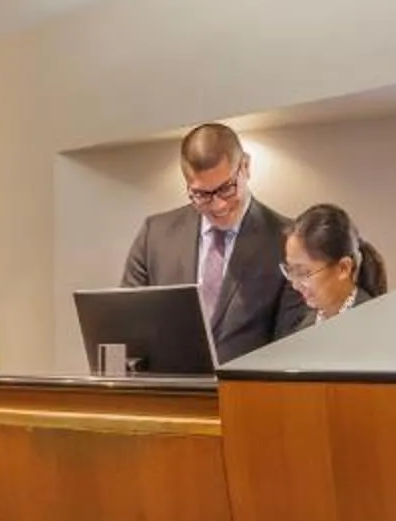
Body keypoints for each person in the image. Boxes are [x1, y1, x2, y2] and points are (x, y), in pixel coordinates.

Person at [121, 123, 300, 362]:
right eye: (202, 195)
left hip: (249, 395)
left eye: (227, 188)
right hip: (169, 393)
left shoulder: (288, 241)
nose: (218, 206)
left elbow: (293, 341)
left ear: (245, 167)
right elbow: (126, 325)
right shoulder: (155, 234)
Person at [281, 203, 387, 330]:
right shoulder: (303, 328)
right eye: (290, 270)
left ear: (344, 268)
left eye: (303, 272)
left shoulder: (377, 324)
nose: (295, 284)